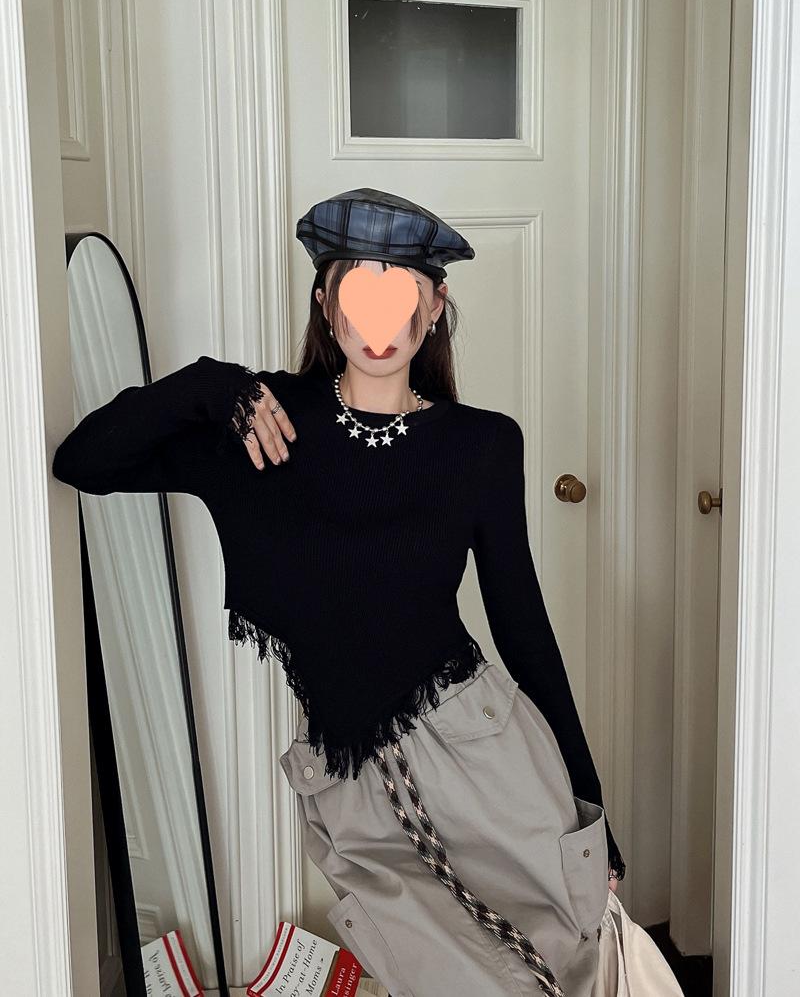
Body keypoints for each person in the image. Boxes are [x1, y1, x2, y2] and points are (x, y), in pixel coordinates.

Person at [53, 187, 625, 997]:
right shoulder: (262, 427)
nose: (379, 320)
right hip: (349, 776)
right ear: (326, 304)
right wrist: (210, 386)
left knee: (557, 968)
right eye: (358, 290)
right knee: (436, 977)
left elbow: (523, 625)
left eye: (401, 291)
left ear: (434, 306)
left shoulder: (483, 445)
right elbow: (84, 460)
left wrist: (588, 802)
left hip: (483, 750)